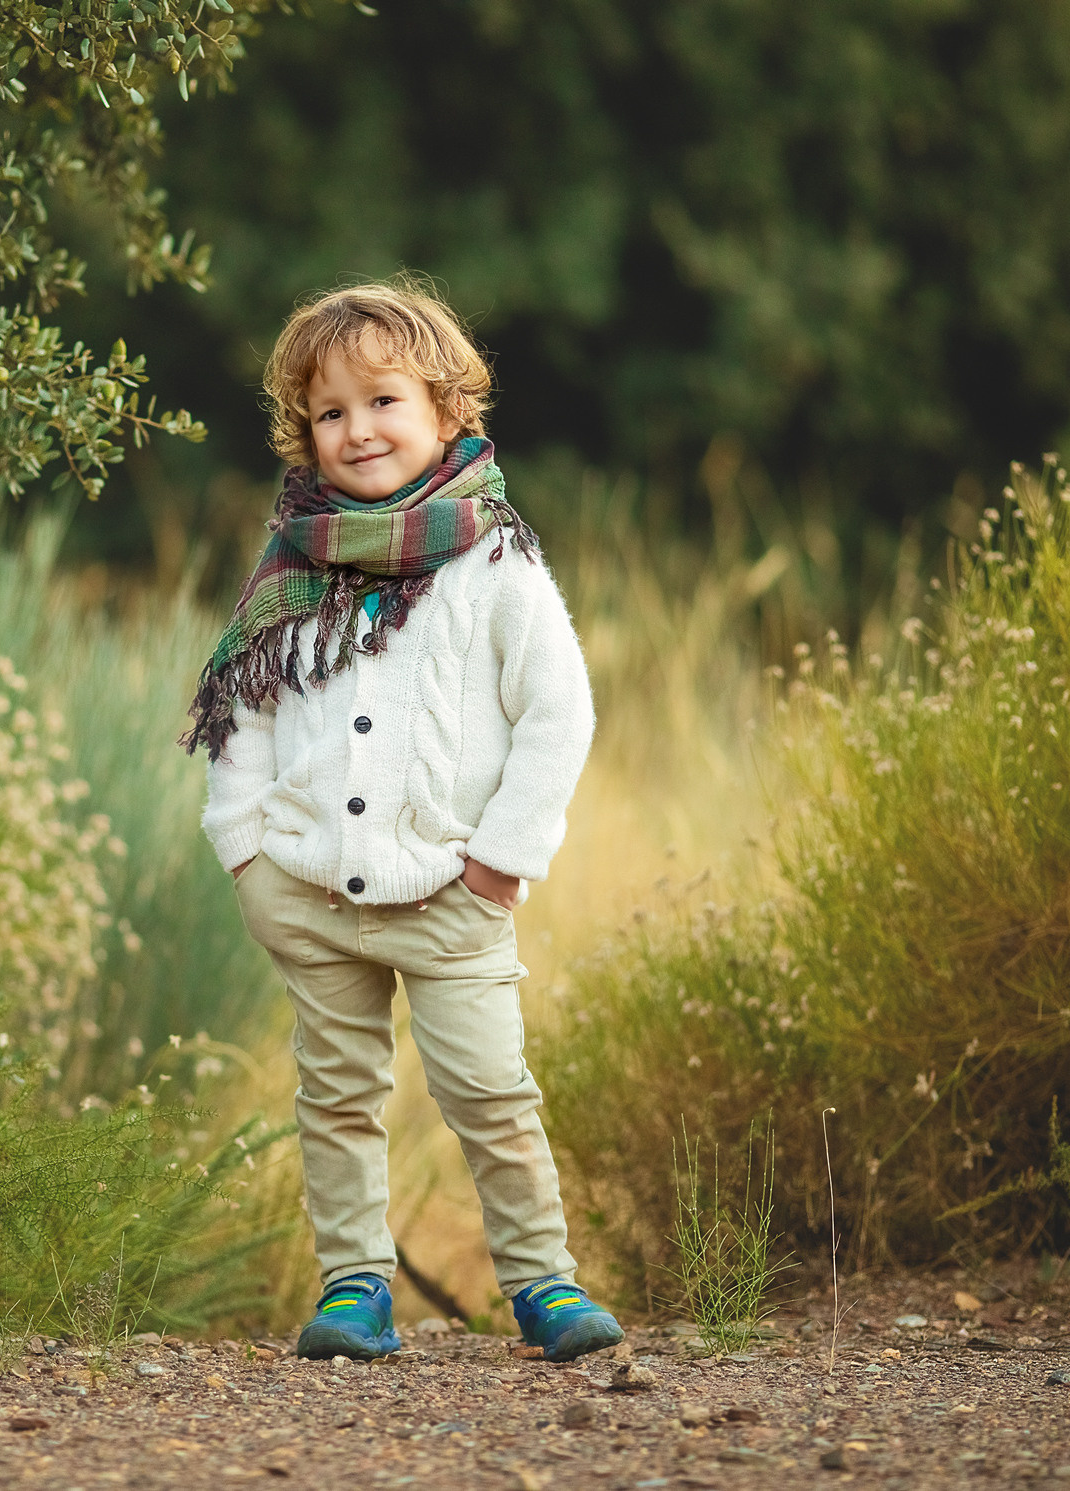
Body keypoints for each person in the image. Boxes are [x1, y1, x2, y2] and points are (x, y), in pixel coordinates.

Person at [184, 278, 623, 1363]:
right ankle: (353, 1286)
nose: (357, 429)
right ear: (304, 434)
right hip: (311, 889)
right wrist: (242, 851)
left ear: (443, 411)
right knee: (333, 1095)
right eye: (329, 413)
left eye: (382, 401)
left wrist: (500, 861)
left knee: (488, 1089)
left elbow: (556, 713)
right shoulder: (290, 564)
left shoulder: (494, 562)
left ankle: (541, 1283)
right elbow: (244, 706)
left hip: (449, 891)